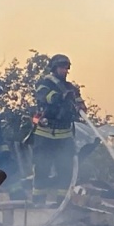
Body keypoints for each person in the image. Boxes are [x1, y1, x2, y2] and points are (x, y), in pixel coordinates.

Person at [30, 54, 85, 206]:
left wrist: (80, 105)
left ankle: (62, 202)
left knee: (65, 169)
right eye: (62, 68)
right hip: (45, 134)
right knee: (42, 168)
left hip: (65, 136)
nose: (65, 71)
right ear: (54, 68)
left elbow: (80, 103)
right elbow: (43, 96)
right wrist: (60, 96)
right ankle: (38, 201)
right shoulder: (45, 83)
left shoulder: (71, 88)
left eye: (67, 68)